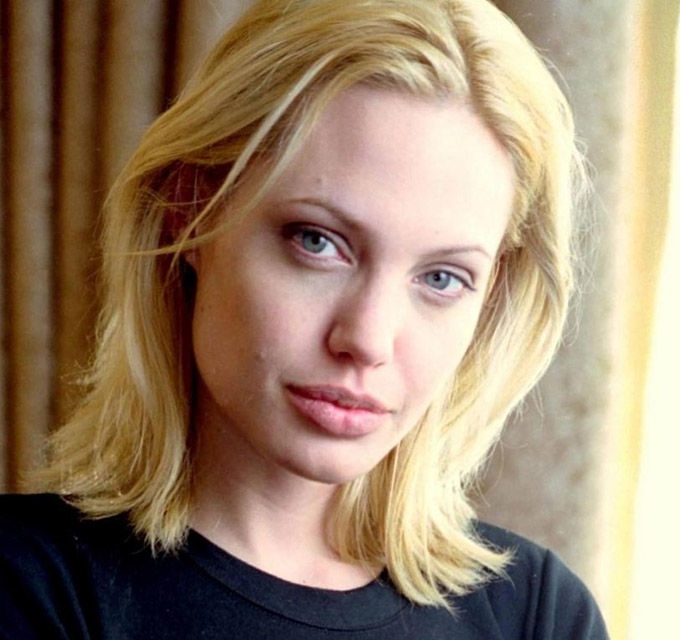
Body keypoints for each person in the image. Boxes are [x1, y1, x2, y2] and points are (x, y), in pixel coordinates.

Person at [0, 0, 609, 637]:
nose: (367, 339)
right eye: (317, 242)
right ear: (192, 207)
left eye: (442, 278)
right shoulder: (26, 587)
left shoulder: (540, 616)